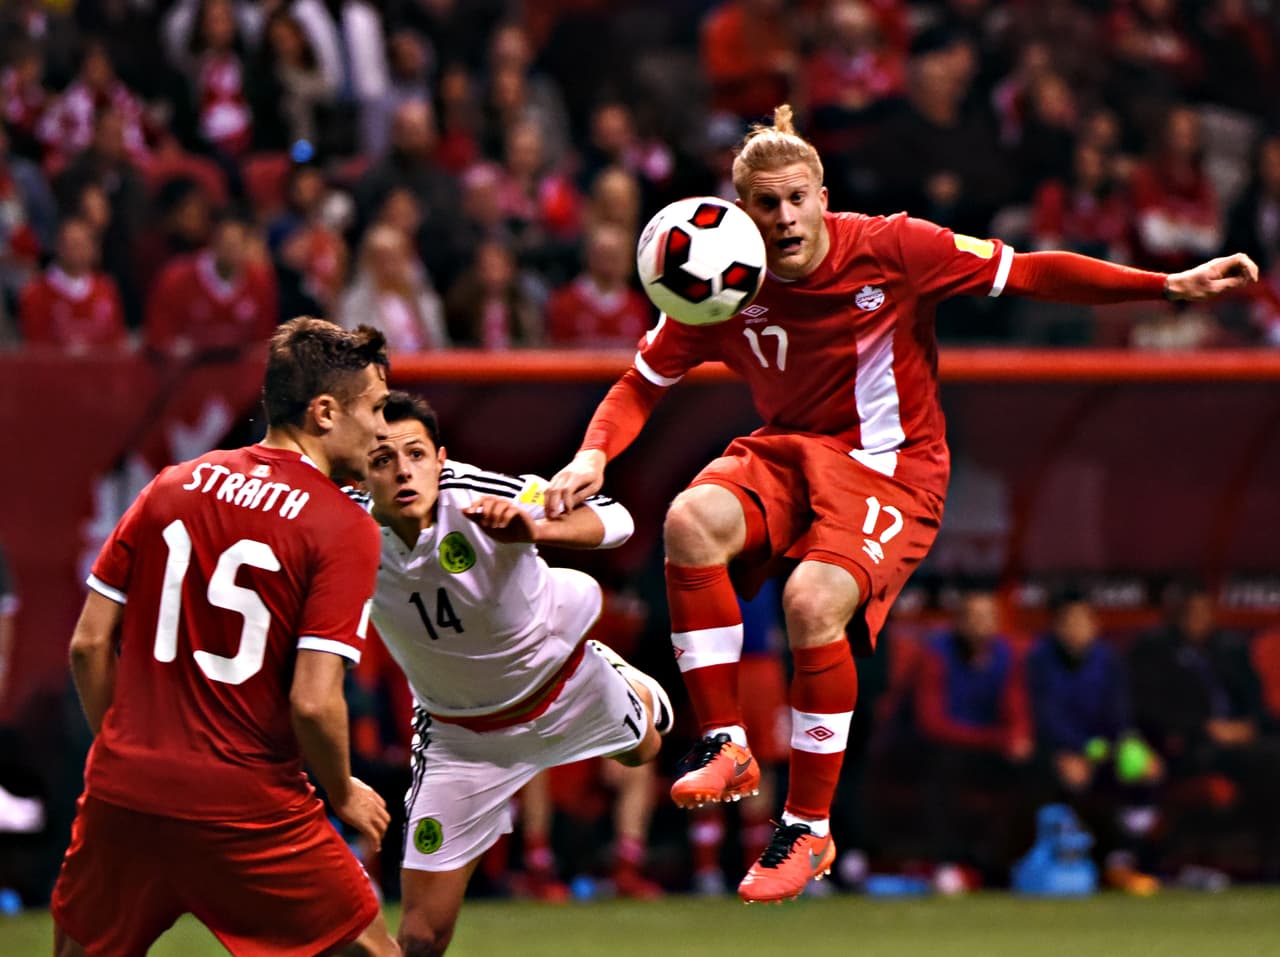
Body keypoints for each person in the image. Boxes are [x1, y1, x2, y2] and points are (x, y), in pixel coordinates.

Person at [543, 103, 1259, 903]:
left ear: (822, 194)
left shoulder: (891, 246)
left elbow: (1028, 270)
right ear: (742, 211)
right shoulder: (720, 277)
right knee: (687, 521)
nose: (782, 217)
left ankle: (808, 828)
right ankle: (727, 741)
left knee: (813, 599)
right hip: (788, 448)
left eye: (795, 198)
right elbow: (640, 386)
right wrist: (591, 456)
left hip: (892, 466)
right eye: (765, 203)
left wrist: (1164, 285)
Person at [50, 317, 400, 957]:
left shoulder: (170, 485)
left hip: (123, 793)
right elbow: (314, 702)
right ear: (324, 412)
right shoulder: (343, 526)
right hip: (249, 808)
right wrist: (345, 790)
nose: (382, 430)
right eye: (375, 409)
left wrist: (129, 753)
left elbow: (87, 644)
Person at [359, 391, 673, 955]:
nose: (404, 470)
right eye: (383, 459)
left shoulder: (478, 492)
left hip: (565, 679)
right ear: (362, 469)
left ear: (442, 459)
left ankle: (630, 683)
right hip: (460, 739)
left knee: (643, 751)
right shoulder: (344, 526)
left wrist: (534, 528)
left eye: (417, 454)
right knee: (422, 936)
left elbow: (617, 519)